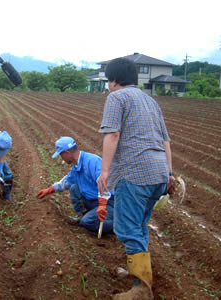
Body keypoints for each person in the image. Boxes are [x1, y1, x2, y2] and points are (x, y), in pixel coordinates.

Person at [97, 58, 174, 300]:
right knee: (139, 226)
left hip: (135, 172)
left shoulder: (116, 97)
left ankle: (141, 289)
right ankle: (139, 276)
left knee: (127, 228)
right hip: (158, 173)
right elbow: (165, 140)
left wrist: (105, 171)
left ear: (114, 80)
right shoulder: (150, 101)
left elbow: (113, 133)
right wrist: (169, 173)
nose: (108, 85)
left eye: (108, 80)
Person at [37, 136, 115, 234]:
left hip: (108, 203)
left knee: (87, 222)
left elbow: (106, 182)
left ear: (67, 153)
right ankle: (83, 215)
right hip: (93, 201)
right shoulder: (77, 166)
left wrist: (103, 205)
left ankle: (117, 225)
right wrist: (48, 190)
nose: (62, 158)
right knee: (74, 188)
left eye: (61, 155)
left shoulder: (92, 161)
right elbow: (66, 182)